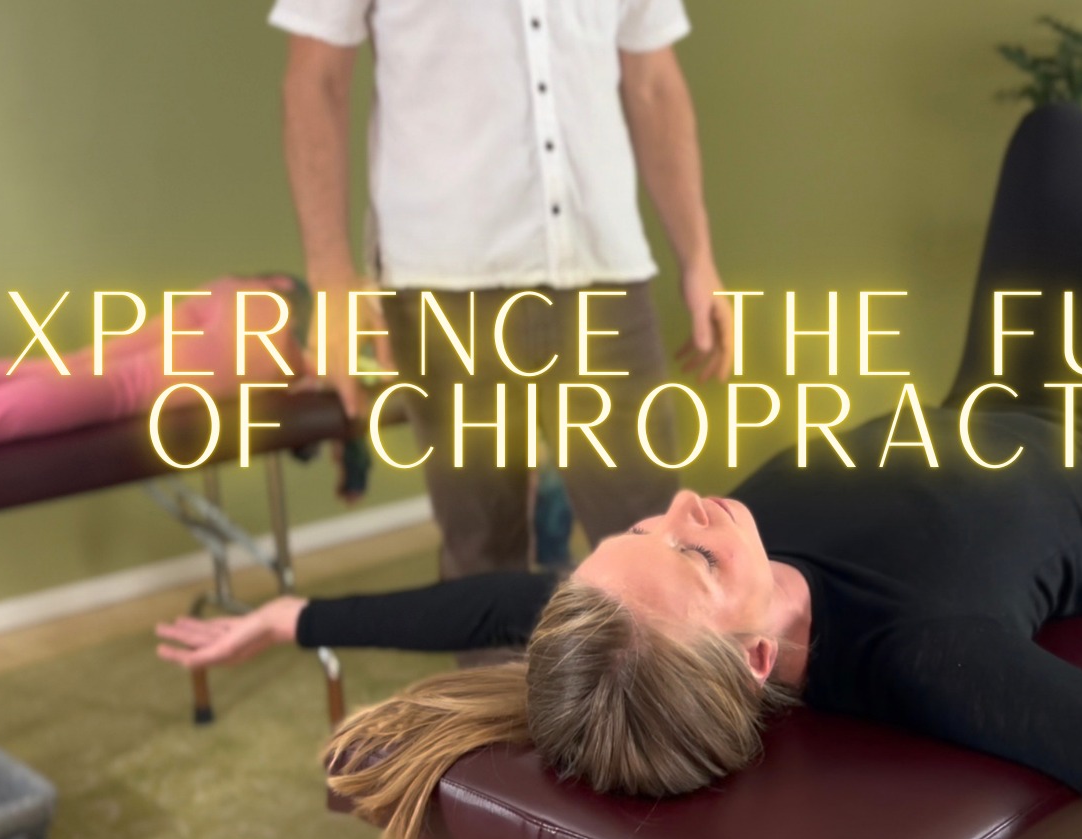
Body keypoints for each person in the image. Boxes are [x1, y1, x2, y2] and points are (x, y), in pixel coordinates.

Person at [158, 103, 1082, 839]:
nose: (683, 508)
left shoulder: (655, 613)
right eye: (689, 555)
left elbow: (500, 598)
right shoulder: (926, 657)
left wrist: (294, 614)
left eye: (636, 534)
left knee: (1056, 135)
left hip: (1015, 397)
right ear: (752, 658)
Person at [271, 0, 735, 582]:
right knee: (483, 561)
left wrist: (698, 259)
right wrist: (331, 276)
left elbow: (653, 82)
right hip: (444, 283)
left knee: (659, 553)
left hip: (603, 270)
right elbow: (315, 79)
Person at [0, 275, 376, 485]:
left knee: (66, 366)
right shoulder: (377, 326)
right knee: (123, 389)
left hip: (242, 290)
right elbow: (359, 389)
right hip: (278, 328)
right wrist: (355, 461)